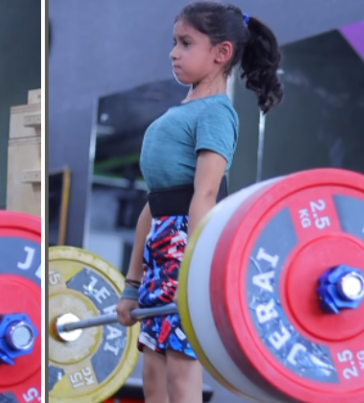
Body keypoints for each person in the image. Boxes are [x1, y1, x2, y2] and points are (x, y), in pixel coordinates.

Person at [115, 2, 283, 403]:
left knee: (180, 376)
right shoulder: (182, 112)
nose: (174, 52)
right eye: (174, 42)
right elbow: (152, 207)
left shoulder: (217, 114)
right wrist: (131, 286)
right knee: (153, 378)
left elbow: (206, 195)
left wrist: (195, 270)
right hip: (161, 247)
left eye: (186, 43)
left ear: (221, 53)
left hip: (187, 249)